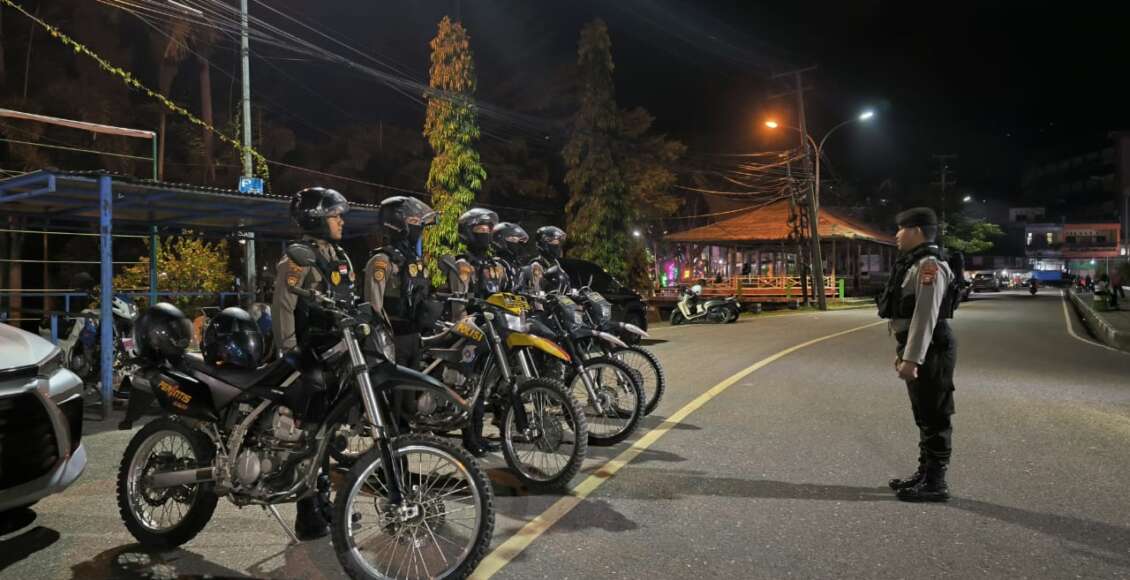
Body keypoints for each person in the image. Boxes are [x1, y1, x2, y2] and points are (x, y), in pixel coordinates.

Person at [271, 186, 355, 540]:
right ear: (316, 219)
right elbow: (283, 306)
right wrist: (290, 352)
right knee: (308, 434)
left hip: (335, 355)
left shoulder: (338, 255)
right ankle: (307, 513)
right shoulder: (297, 259)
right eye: (335, 216)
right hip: (309, 357)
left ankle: (323, 500)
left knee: (327, 435)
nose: (341, 222)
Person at [877, 207, 958, 503]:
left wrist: (912, 359)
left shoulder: (929, 265)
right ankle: (924, 473)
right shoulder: (914, 263)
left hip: (933, 347)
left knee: (935, 414)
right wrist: (904, 352)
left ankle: (936, 482)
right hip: (921, 347)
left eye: (901, 229)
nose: (897, 235)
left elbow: (925, 317)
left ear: (917, 231)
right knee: (923, 412)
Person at [440, 208, 508, 456]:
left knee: (482, 386)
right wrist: (466, 329)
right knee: (469, 385)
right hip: (471, 331)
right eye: (480, 229)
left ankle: (478, 435)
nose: (486, 233)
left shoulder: (494, 264)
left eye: (489, 229)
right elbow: (459, 306)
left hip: (491, 330)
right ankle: (470, 437)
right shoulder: (462, 265)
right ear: (468, 233)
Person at [363, 196, 436, 368]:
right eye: (413, 221)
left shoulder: (414, 260)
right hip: (394, 338)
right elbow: (374, 307)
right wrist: (381, 344)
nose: (419, 226)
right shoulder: (382, 260)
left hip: (416, 337)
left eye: (420, 221)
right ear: (396, 223)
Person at [523, 226, 570, 296]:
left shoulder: (556, 263)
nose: (558, 245)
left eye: (559, 242)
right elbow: (537, 292)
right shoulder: (536, 265)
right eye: (554, 242)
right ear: (543, 244)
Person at [490, 221, 530, 289]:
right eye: (513, 239)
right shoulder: (495, 265)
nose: (518, 243)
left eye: (519, 240)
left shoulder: (516, 265)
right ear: (499, 240)